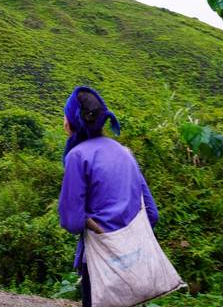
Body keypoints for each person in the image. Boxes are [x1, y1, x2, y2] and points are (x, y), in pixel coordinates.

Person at [58, 87, 159, 307]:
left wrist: (92, 224)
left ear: (71, 122)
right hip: (133, 259)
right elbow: (152, 213)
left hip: (100, 264)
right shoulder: (124, 152)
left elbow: (71, 221)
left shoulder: (77, 156)